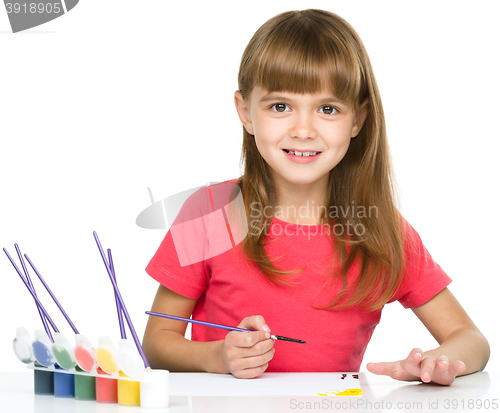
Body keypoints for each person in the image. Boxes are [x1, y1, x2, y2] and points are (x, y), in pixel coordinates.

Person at [142, 9, 489, 383]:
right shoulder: (209, 212)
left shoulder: (381, 230)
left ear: (357, 119)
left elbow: (471, 340)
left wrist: (436, 361)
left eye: (327, 109)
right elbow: (157, 342)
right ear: (245, 112)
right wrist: (218, 356)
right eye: (280, 106)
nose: (303, 130)